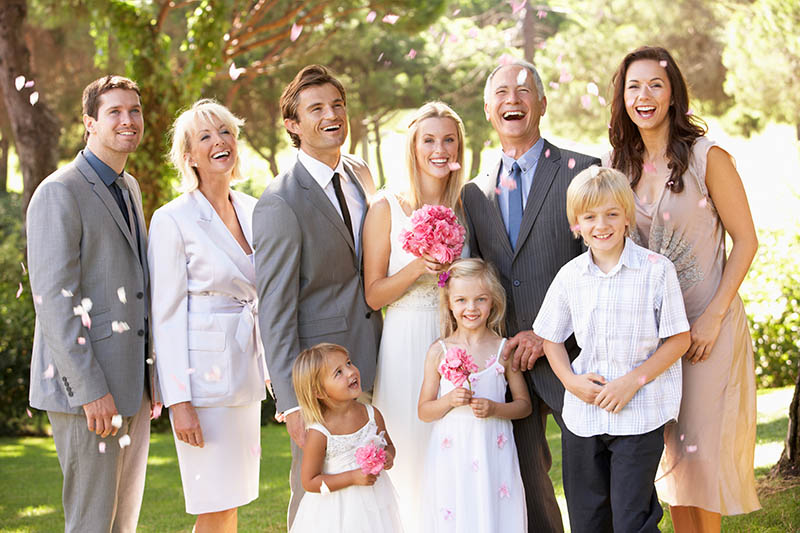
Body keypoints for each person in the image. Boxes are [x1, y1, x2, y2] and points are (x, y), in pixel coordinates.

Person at [607, 46, 761, 531]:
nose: (644, 95)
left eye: (656, 84)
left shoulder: (705, 157)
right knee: (671, 459)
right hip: (655, 340)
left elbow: (746, 241)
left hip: (707, 329)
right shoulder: (618, 164)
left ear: (673, 94)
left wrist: (714, 316)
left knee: (701, 461)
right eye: (634, 86)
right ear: (623, 97)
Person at [461, 58, 600, 532]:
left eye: (523, 91)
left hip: (576, 355)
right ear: (487, 109)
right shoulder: (474, 194)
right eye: (500, 93)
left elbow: (601, 266)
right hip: (510, 364)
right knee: (526, 487)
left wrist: (548, 333)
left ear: (541, 103)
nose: (512, 100)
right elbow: (480, 276)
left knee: (592, 478)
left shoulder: (582, 171)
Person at [254, 64, 383, 528]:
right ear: (293, 124)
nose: (332, 115)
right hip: (319, 381)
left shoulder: (359, 174)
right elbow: (274, 309)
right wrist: (291, 401)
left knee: (373, 483)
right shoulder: (279, 201)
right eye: (316, 109)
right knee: (313, 489)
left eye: (337, 105)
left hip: (373, 355)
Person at [26, 75, 154, 532]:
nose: (128, 120)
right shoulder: (59, 192)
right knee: (91, 523)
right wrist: (90, 390)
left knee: (123, 522)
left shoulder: (130, 188)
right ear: (89, 123)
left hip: (132, 386)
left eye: (134, 111)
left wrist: (149, 380)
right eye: (115, 112)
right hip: (89, 392)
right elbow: (54, 301)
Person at [534, 166, 691, 532]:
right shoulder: (571, 276)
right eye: (589, 217)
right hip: (584, 416)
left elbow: (678, 339)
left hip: (639, 413)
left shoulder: (656, 271)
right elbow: (550, 338)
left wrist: (631, 382)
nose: (600, 225)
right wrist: (571, 382)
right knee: (588, 519)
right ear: (577, 222)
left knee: (631, 519)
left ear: (627, 218)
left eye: (611, 214)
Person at [147, 99, 267, 532]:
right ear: (189, 155)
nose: (220, 141)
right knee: (213, 501)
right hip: (203, 386)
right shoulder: (172, 219)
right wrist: (179, 402)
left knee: (232, 499)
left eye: (226, 132)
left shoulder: (256, 209)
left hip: (245, 376)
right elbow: (165, 314)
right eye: (206, 136)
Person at [363, 101, 465, 526]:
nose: (438, 149)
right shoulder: (386, 206)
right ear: (413, 146)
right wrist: (418, 265)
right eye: (429, 140)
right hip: (405, 340)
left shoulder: (468, 205)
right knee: (410, 445)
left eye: (448, 140)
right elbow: (373, 295)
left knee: (455, 450)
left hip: (455, 343)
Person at [418, 258, 530, 532]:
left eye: (480, 299)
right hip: (453, 452)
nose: (471, 308)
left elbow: (524, 405)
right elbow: (424, 410)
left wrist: (495, 409)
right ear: (449, 304)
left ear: (493, 302)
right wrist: (448, 401)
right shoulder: (439, 351)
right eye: (461, 300)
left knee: (494, 511)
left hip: (493, 449)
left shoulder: (504, 349)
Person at [289, 343, 403, 533]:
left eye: (349, 363)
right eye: (338, 372)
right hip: (335, 509)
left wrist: (388, 456)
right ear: (319, 391)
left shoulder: (372, 414)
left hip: (375, 500)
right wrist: (352, 477)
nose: (350, 372)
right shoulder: (319, 432)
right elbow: (309, 481)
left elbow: (389, 445)